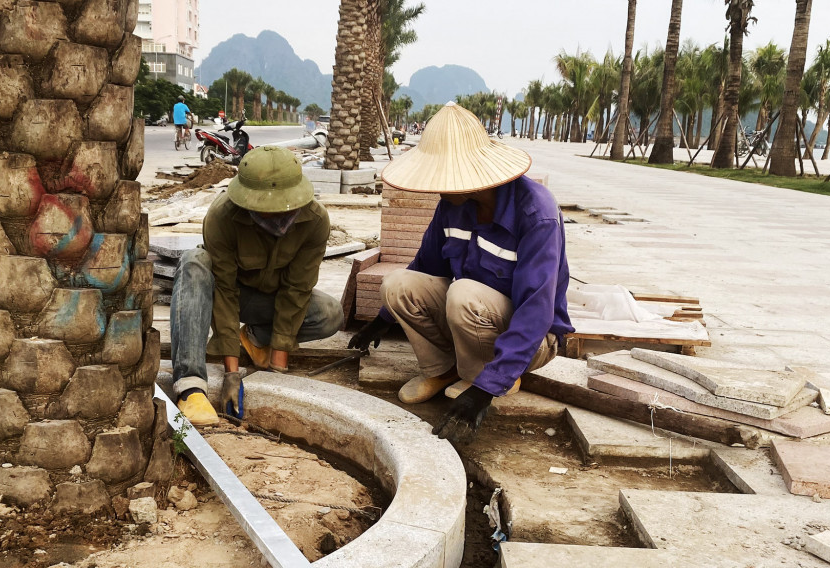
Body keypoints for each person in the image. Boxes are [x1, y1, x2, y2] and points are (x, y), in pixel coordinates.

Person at [349, 102, 573, 445]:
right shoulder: (453, 207)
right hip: (473, 317)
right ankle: (444, 370)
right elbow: (425, 267)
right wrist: (383, 319)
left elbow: (536, 311)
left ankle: (489, 376)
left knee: (463, 294)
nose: (437, 187)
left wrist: (485, 391)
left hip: (532, 340)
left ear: (470, 176)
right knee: (396, 285)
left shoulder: (535, 213)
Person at [170, 146, 345, 426]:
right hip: (226, 296)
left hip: (267, 303)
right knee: (194, 261)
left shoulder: (315, 221)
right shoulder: (222, 216)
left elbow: (296, 291)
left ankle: (255, 339)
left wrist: (277, 362)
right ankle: (190, 386)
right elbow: (225, 292)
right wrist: (231, 373)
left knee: (329, 313)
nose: (275, 218)